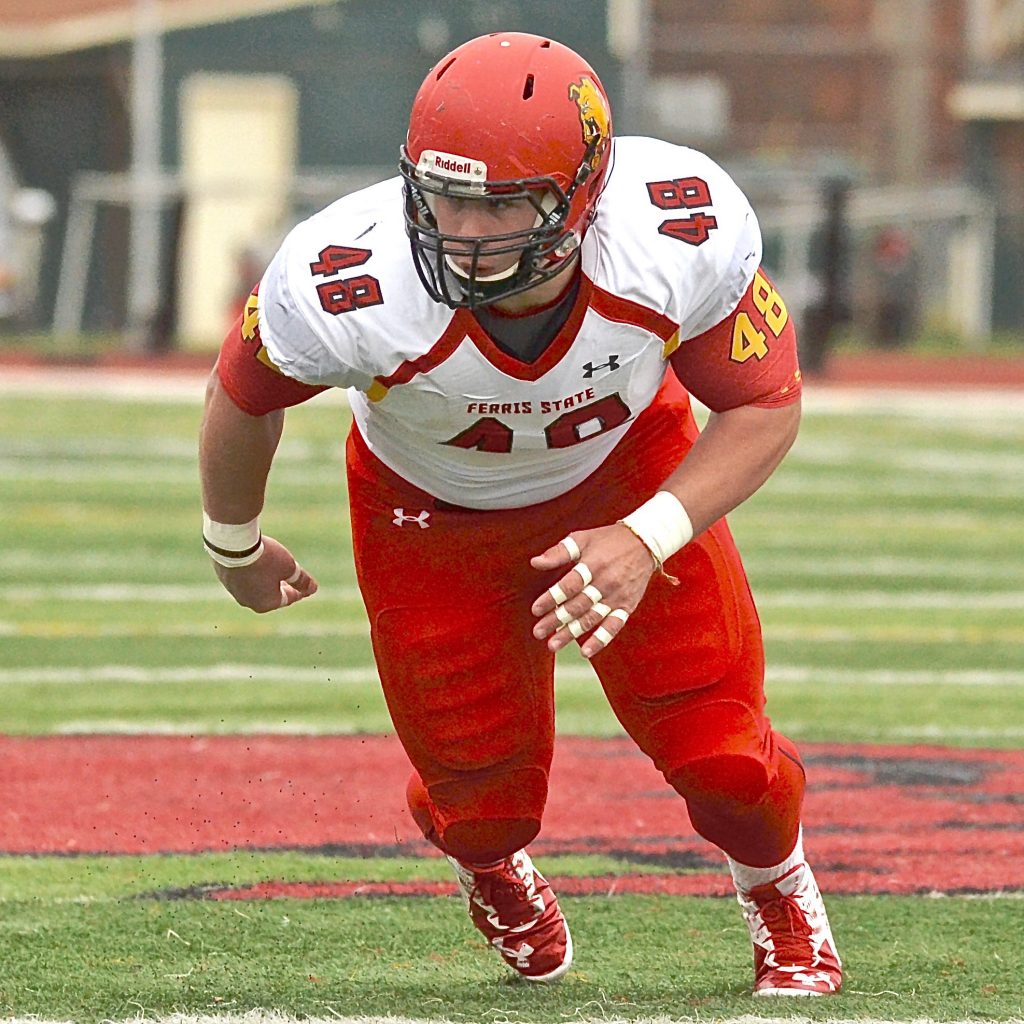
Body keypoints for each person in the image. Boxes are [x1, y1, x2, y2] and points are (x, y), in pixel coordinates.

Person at [199, 32, 842, 996]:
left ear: (582, 191)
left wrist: (648, 533)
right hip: (428, 519)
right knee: (480, 807)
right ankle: (492, 866)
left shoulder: (674, 229)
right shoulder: (348, 274)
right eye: (443, 195)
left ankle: (780, 890)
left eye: (501, 201)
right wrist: (232, 541)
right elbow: (245, 394)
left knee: (727, 765)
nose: (462, 228)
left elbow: (764, 401)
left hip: (629, 478)